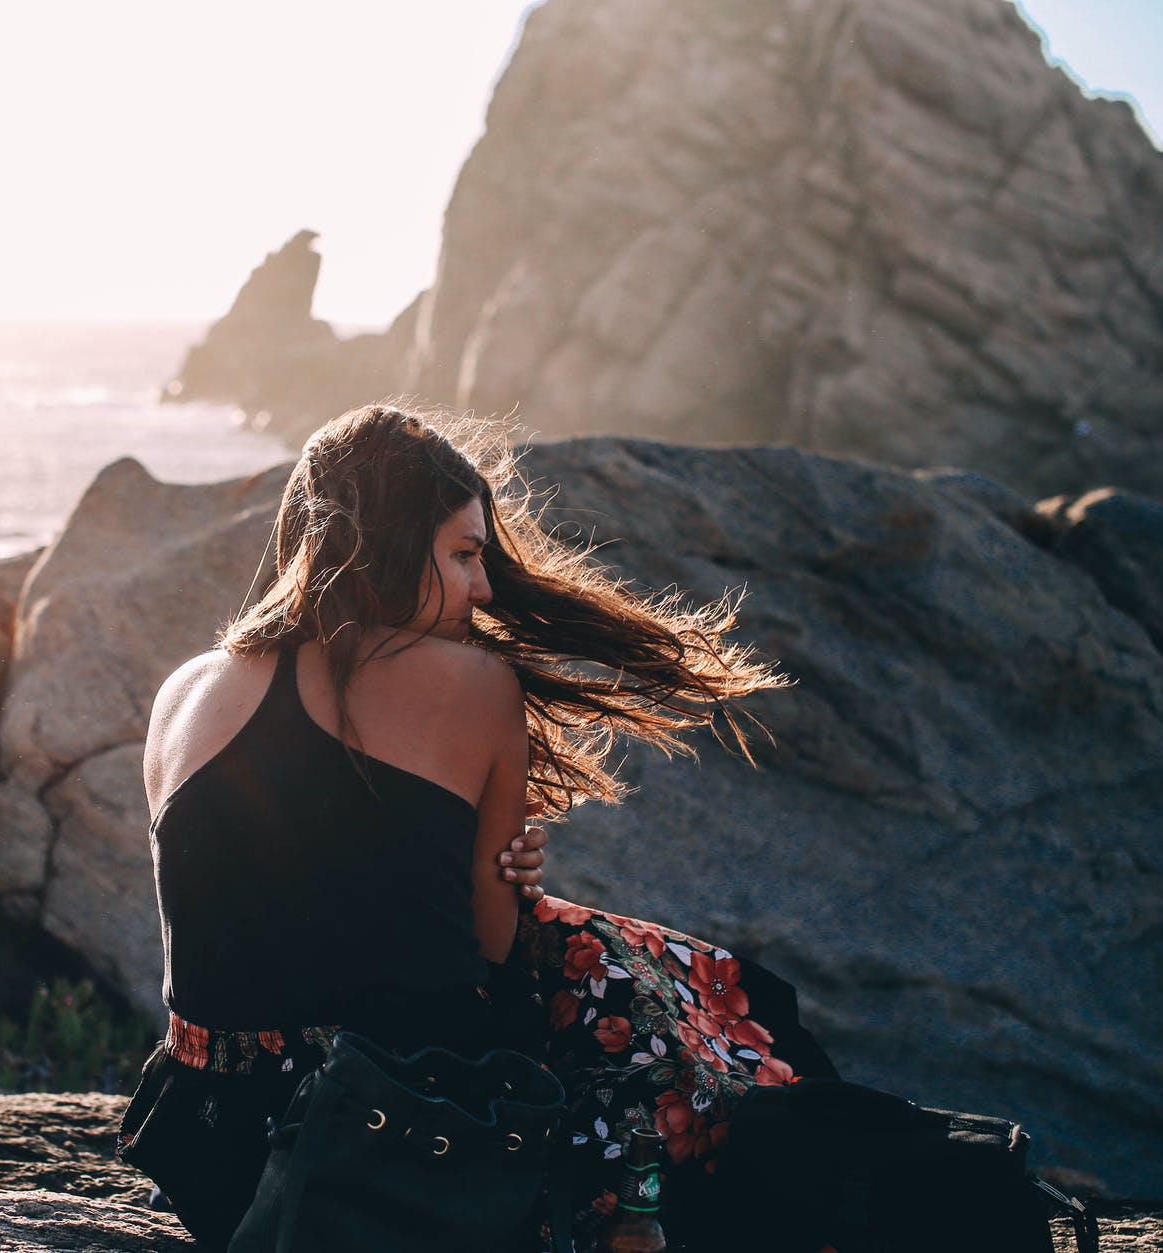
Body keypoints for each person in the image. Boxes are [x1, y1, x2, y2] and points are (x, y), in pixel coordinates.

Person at [118, 405, 836, 1252]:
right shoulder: (473, 683)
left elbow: (266, 909)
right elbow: (488, 948)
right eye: (464, 555)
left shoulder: (185, 690)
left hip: (215, 1152)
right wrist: (502, 876)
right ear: (387, 541)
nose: (485, 588)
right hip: (399, 1139)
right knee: (629, 982)